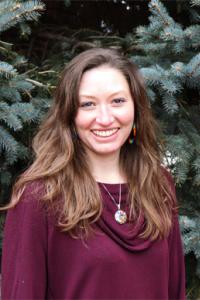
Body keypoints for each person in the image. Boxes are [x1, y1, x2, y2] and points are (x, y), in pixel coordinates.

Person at [1, 47, 185, 300]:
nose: (105, 118)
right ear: (70, 115)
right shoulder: (39, 197)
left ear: (136, 108)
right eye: (88, 104)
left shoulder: (158, 184)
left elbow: (174, 290)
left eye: (117, 101)